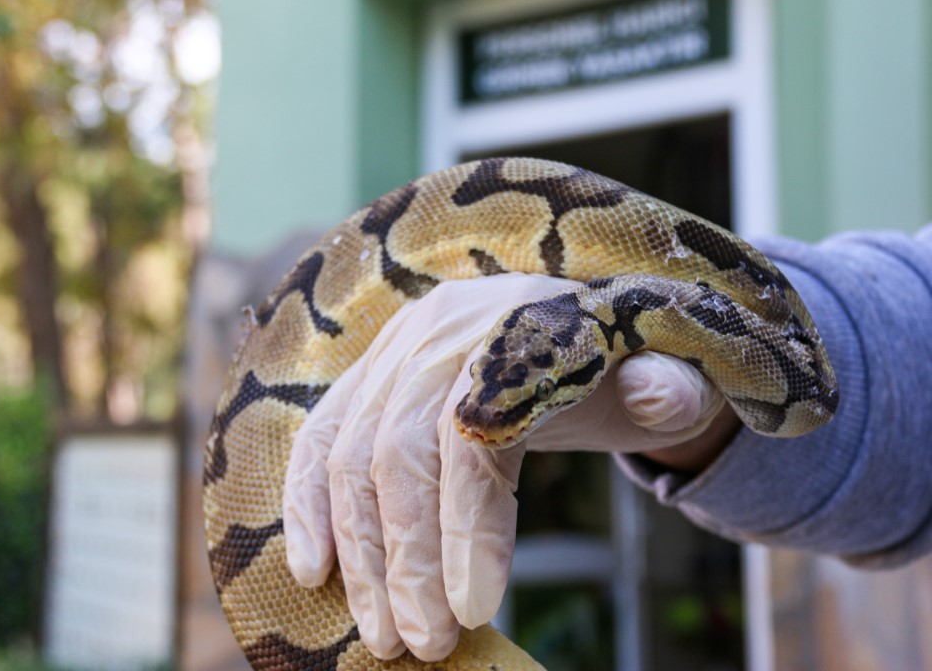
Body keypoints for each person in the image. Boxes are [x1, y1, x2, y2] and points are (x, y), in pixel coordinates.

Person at [282, 225, 932, 662]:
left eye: (531, 397)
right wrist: (714, 427)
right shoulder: (585, 334)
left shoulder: (628, 329)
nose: (477, 418)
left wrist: (737, 372)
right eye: (489, 374)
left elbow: (814, 391)